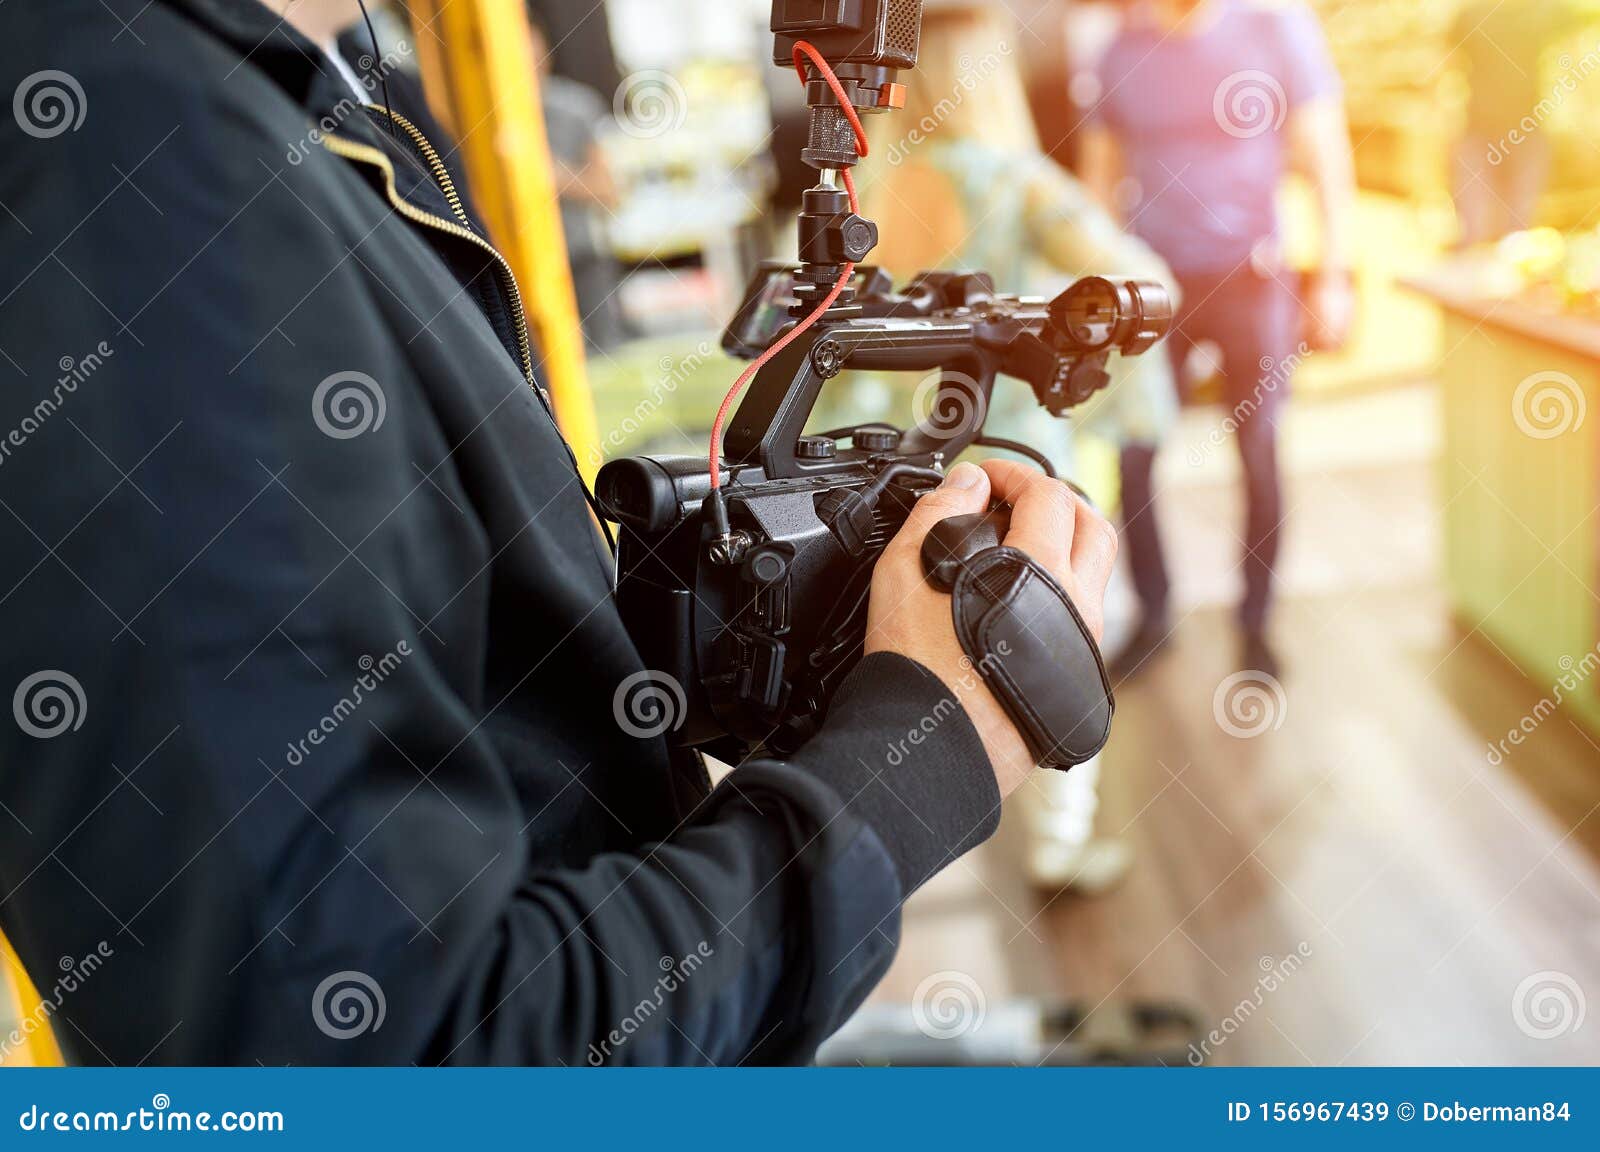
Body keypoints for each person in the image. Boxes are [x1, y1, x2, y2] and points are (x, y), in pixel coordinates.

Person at [0, 0, 1119, 1065]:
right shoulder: (127, 153)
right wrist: (904, 769)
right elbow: (395, 1058)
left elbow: (462, 666)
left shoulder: (338, 82)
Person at [859, 0, 1181, 893]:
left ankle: (911, 838)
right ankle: (1061, 843)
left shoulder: (873, 189)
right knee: (1052, 632)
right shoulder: (1012, 178)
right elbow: (1142, 281)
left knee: (925, 638)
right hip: (1015, 450)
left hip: (906, 457)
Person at [1081, 0, 1358, 679]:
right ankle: (1153, 617)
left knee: (1259, 449)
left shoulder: (1275, 26)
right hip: (1154, 286)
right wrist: (1095, 291)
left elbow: (1324, 148)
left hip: (1252, 279)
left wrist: (1336, 276)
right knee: (1136, 451)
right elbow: (1097, 179)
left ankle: (1256, 624)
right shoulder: (1120, 48)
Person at [526, 10, 630, 352]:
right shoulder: (485, 115)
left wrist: (551, 177)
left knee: (605, 358)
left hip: (582, 262)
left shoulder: (576, 106)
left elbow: (609, 190)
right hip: (522, 264)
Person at [1452, 0, 1580, 248]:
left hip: (1525, 128)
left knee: (1514, 234)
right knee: (1484, 229)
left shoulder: (1542, 12)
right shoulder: (1473, 15)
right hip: (1481, 129)